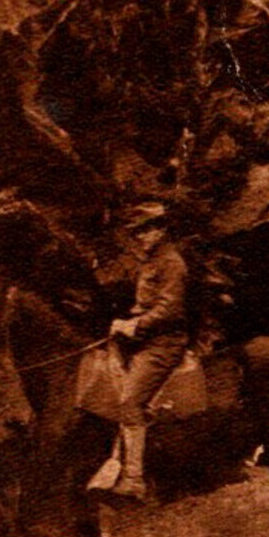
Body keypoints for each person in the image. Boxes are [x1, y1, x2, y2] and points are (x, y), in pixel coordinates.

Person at [96, 202, 190, 502]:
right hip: (143, 340)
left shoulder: (172, 262)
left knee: (130, 401)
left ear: (160, 230)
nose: (140, 237)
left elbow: (170, 309)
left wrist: (133, 325)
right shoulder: (151, 261)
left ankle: (134, 480)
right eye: (137, 232)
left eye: (145, 230)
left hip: (163, 343)